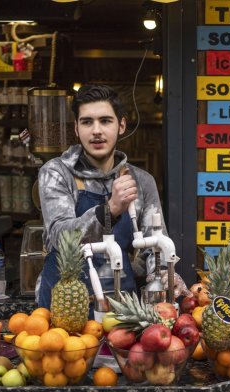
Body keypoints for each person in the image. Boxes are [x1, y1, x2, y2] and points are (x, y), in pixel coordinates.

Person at [37, 84, 177, 310]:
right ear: (76, 128)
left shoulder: (141, 181)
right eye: (87, 122)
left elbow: (155, 247)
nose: (96, 131)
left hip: (122, 304)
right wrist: (108, 210)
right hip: (65, 304)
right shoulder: (56, 173)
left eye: (105, 121)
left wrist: (163, 277)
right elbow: (59, 236)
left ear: (121, 125)